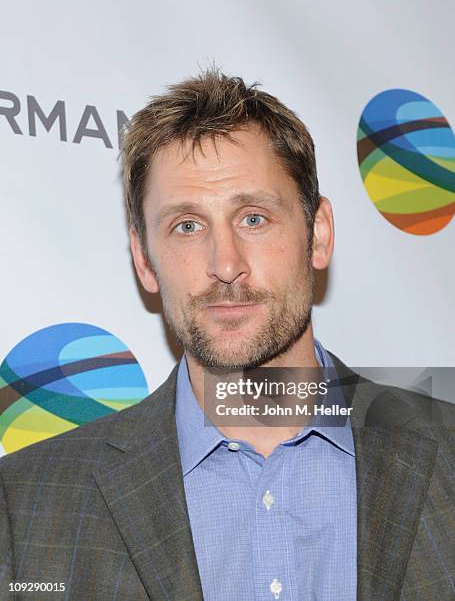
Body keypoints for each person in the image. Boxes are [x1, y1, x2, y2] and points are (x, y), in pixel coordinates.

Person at [0, 69, 454, 601]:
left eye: (254, 218)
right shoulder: (26, 504)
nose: (225, 264)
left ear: (319, 235)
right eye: (187, 226)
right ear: (145, 260)